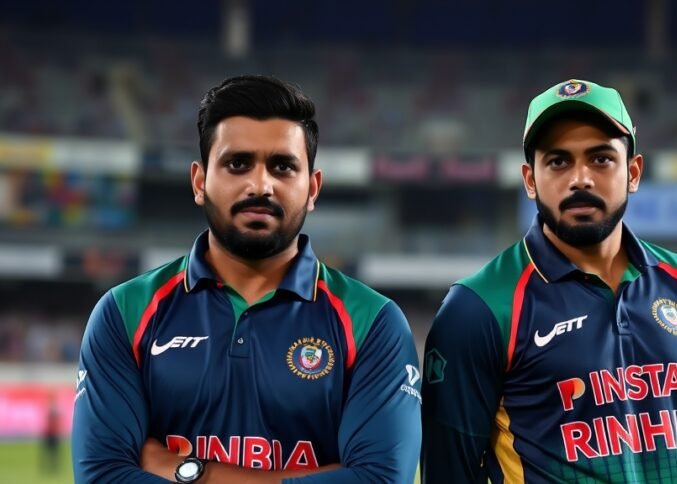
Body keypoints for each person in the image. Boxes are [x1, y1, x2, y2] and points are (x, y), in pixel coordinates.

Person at [72, 75, 422, 483]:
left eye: (283, 166)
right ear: (200, 182)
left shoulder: (373, 321)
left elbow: (380, 479)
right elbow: (102, 476)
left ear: (312, 188)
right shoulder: (124, 312)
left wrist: (193, 472)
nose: (260, 185)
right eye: (237, 164)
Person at [421, 79, 677, 483]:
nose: (580, 179)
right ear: (530, 180)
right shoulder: (478, 308)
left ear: (633, 172)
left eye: (601, 159)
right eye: (558, 162)